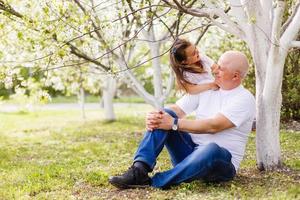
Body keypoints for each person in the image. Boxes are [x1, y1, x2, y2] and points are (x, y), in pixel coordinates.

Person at [109, 49, 256, 189]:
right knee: (165, 113)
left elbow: (214, 126)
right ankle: (139, 170)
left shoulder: (244, 99)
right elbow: (177, 110)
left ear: (235, 76)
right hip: (189, 155)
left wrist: (173, 123)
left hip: (220, 163)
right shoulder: (208, 87)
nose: (215, 69)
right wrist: (157, 116)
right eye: (217, 64)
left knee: (211, 149)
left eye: (221, 68)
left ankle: (155, 181)